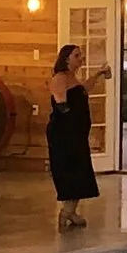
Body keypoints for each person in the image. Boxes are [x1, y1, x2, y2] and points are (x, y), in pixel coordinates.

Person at [46, 43, 103, 231]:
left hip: (75, 133)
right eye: (77, 55)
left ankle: (70, 211)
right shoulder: (60, 78)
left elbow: (83, 89)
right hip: (64, 133)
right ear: (66, 59)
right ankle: (66, 212)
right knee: (70, 170)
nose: (81, 58)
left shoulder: (72, 78)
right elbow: (61, 104)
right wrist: (73, 121)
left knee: (79, 170)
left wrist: (98, 74)